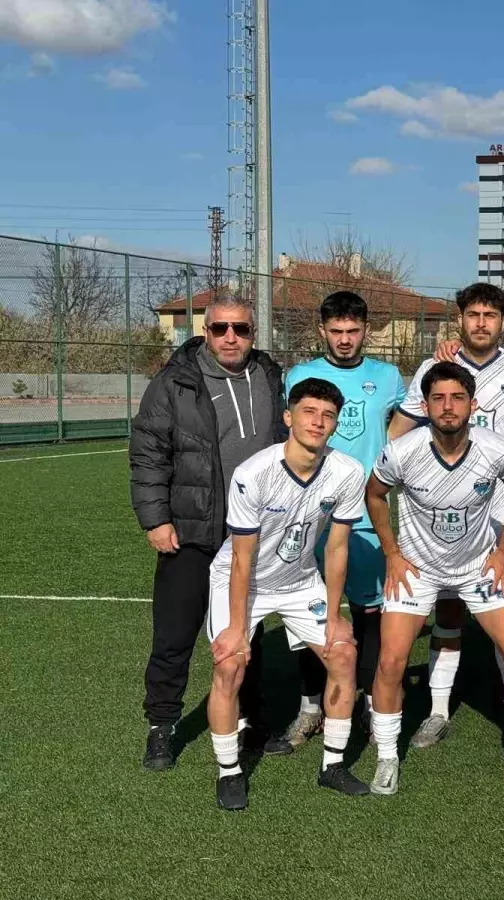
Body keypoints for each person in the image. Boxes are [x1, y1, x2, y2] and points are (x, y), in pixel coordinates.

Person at [365, 362, 504, 794]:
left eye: (457, 397)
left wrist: (503, 549)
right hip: (418, 571)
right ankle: (386, 757)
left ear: (473, 404)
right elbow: (375, 494)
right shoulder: (401, 451)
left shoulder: (496, 449)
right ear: (424, 406)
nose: (447, 406)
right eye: (438, 398)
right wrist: (392, 554)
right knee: (390, 662)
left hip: (478, 568)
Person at [130, 294, 284, 770]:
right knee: (174, 635)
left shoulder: (270, 375)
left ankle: (250, 721)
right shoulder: (175, 381)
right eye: (220, 328)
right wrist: (156, 519)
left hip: (251, 534)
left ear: (253, 332)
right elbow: (148, 451)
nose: (230, 337)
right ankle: (161, 727)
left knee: (248, 632)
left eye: (241, 328)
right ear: (206, 330)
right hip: (191, 531)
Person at [205, 377, 371, 810]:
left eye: (328, 415)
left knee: (343, 654)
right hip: (244, 582)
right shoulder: (253, 473)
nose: (318, 421)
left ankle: (332, 766)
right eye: (309, 412)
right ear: (288, 417)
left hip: (299, 581)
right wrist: (237, 628)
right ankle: (229, 771)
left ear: (336, 424)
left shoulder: (348, 472)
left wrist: (335, 615)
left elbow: (336, 549)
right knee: (229, 665)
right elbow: (242, 559)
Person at [393, 283, 504, 750]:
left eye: (490, 315)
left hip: (500, 518)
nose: (480, 323)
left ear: (503, 322)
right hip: (440, 520)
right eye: (473, 314)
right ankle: (438, 711)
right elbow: (398, 434)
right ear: (460, 318)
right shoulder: (433, 368)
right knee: (448, 610)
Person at [269, 290, 406, 754]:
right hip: (310, 517)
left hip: (366, 516)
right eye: (336, 331)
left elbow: (408, 422)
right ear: (322, 330)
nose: (345, 339)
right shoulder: (300, 375)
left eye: (353, 331)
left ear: (366, 330)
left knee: (369, 613)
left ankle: (364, 701)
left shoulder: (387, 377)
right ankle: (311, 707)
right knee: (309, 614)